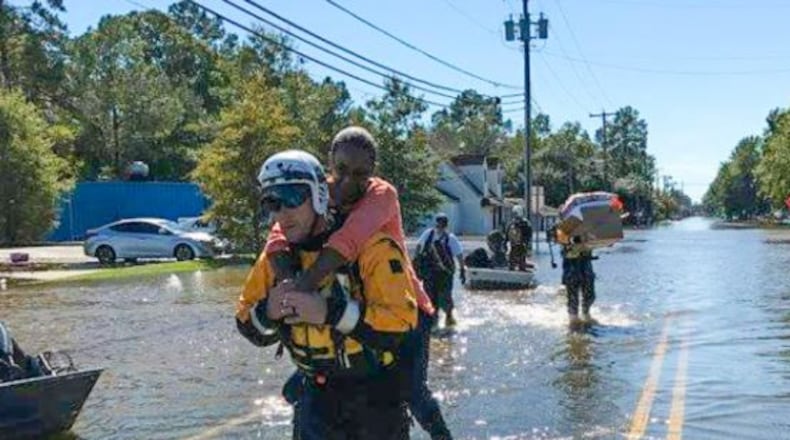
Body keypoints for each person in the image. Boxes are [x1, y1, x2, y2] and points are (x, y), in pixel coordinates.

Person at [262, 127, 453, 439]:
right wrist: (284, 280)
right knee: (318, 378)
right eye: (342, 170)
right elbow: (279, 232)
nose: (350, 181)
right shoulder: (317, 191)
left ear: (373, 171)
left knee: (411, 391)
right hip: (356, 299)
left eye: (361, 174)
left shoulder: (382, 195)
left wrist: (300, 288)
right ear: (329, 163)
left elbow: (347, 241)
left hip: (407, 308)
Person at [236, 150, 417, 439]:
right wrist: (268, 312)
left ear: (319, 195)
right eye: (272, 202)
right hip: (315, 400)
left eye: (293, 197)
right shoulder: (274, 259)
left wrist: (329, 312)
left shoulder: (374, 249)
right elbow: (248, 325)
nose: (283, 213)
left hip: (376, 400)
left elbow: (400, 327)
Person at [415, 214, 465, 328]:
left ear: (445, 224)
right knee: (431, 297)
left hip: (445, 274)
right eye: (439, 223)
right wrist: (417, 264)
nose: (440, 226)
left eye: (442, 223)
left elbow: (459, 255)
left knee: (444, 297)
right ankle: (434, 322)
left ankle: (448, 319)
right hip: (430, 272)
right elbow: (419, 247)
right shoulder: (428, 234)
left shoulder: (450, 238)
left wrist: (462, 270)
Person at [506, 205, 533, 271]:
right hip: (517, 246)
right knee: (517, 260)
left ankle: (517, 268)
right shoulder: (525, 223)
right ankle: (518, 268)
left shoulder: (513, 223)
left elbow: (528, 236)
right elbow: (529, 236)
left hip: (518, 246)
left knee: (517, 259)